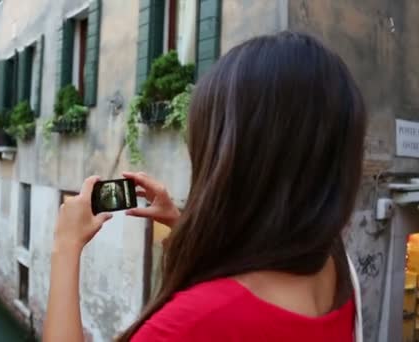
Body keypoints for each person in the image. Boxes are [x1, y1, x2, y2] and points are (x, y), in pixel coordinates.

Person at [44, 31, 366, 342]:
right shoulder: (334, 266)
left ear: (232, 160)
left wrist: (66, 245)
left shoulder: (192, 325)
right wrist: (182, 223)